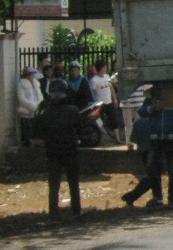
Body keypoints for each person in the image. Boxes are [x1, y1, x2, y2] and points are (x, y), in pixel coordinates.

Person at [32, 78, 83, 222]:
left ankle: (53, 213)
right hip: (71, 151)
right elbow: (81, 133)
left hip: (53, 153)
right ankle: (77, 210)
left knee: (54, 185)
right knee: (74, 182)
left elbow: (35, 137)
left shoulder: (44, 113)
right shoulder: (73, 111)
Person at [138, 94, 173, 208]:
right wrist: (151, 109)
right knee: (151, 168)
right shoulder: (151, 98)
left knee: (172, 170)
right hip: (155, 138)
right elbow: (141, 111)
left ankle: (171, 200)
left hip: (171, 137)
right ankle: (158, 197)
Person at [120, 116, 154, 207]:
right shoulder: (155, 120)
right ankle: (132, 196)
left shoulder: (138, 122)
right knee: (153, 177)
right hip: (153, 150)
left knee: (151, 176)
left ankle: (132, 196)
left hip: (143, 151)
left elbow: (133, 139)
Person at [90, 59, 123, 144]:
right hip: (100, 104)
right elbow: (93, 93)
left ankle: (117, 139)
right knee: (100, 122)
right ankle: (102, 139)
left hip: (109, 102)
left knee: (114, 120)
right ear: (102, 68)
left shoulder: (107, 76)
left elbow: (111, 88)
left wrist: (114, 99)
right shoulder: (94, 80)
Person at [17, 66, 44, 147]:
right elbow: (21, 98)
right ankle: (27, 142)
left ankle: (34, 141)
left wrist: (39, 104)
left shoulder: (36, 83)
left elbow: (39, 95)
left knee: (34, 127)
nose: (33, 76)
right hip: (26, 110)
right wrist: (32, 106)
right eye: (31, 74)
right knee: (26, 127)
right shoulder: (21, 84)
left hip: (36, 110)